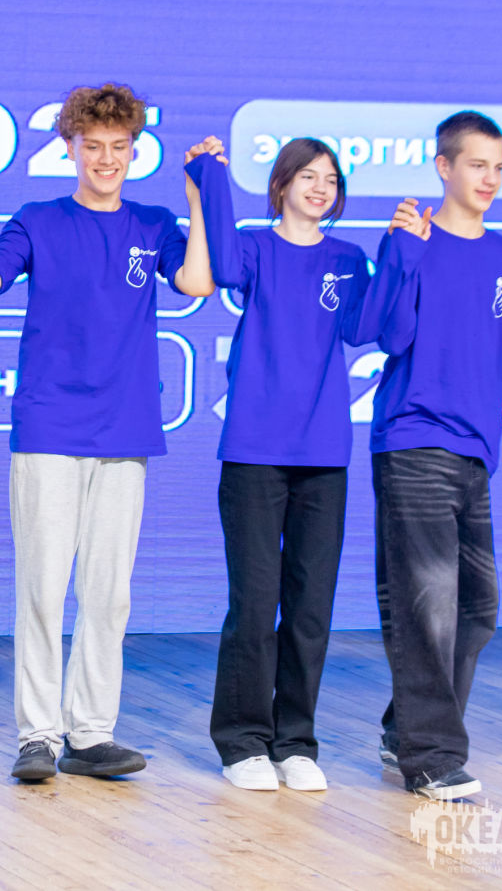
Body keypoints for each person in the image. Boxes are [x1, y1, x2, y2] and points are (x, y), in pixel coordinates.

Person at [0, 83, 213, 783]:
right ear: (69, 147)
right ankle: (38, 734)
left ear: (134, 150)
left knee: (109, 592)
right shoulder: (39, 219)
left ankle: (90, 732)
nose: (106, 159)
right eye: (92, 146)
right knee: (42, 587)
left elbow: (196, 282)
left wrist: (198, 199)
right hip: (49, 426)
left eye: (118, 147)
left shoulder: (154, 223)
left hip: (125, 430)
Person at [185, 138, 427, 792]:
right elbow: (223, 266)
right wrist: (209, 174)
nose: (321, 187)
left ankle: (294, 742)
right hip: (253, 454)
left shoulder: (347, 259)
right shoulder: (256, 249)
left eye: (331, 179)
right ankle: (242, 743)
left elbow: (379, 330)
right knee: (254, 604)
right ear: (282, 185)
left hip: (323, 457)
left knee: (310, 608)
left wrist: (401, 251)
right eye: (308, 176)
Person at [368, 110, 502, 801]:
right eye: (476, 165)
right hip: (413, 440)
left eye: (498, 167)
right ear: (444, 166)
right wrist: (405, 254)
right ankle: (430, 757)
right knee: (428, 606)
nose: (489, 178)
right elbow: (388, 335)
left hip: (474, 452)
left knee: (477, 608)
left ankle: (404, 727)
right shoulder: (412, 238)